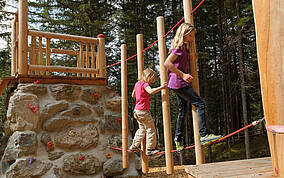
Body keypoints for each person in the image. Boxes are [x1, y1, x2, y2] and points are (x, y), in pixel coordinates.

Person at [164, 23, 222, 152]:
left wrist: (192, 59)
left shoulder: (184, 46)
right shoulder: (179, 47)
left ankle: (178, 138)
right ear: (183, 34)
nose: (191, 38)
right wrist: (183, 75)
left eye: (192, 36)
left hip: (176, 83)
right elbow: (167, 63)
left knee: (182, 110)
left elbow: (181, 63)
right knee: (200, 103)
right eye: (189, 36)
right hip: (179, 82)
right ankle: (204, 135)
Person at [129, 68, 167, 156]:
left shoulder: (137, 84)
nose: (152, 82)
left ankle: (134, 145)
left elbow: (133, 95)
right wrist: (162, 87)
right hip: (143, 111)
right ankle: (150, 149)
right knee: (151, 129)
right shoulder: (145, 84)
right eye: (152, 79)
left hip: (136, 111)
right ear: (148, 76)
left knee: (142, 129)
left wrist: (140, 94)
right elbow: (151, 91)